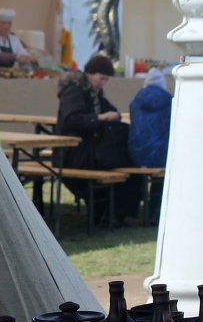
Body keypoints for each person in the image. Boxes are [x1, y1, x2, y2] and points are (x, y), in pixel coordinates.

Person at [57, 54, 136, 226]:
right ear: (91, 73)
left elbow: (109, 110)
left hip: (86, 148)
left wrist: (111, 115)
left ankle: (113, 213)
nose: (103, 83)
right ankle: (108, 212)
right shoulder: (74, 91)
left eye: (106, 80)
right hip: (72, 151)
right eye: (101, 78)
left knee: (123, 163)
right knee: (113, 161)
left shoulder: (94, 93)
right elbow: (72, 120)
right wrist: (100, 118)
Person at [128, 67, 173, 224]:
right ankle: (155, 212)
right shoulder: (170, 101)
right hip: (162, 155)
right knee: (163, 171)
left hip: (136, 154)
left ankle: (138, 211)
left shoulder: (135, 101)